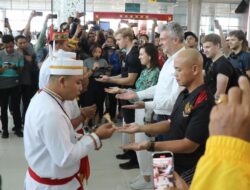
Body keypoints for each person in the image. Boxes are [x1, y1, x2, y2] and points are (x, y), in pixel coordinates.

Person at [117, 49, 214, 184]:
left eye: (178, 70)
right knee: (161, 186)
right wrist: (139, 127)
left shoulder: (204, 101)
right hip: (167, 158)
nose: (175, 74)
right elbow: (170, 122)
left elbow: (189, 144)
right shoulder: (184, 93)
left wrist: (150, 145)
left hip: (188, 168)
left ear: (195, 69)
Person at [24, 55, 115, 190]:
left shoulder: (45, 97)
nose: (81, 88)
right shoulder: (51, 112)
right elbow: (65, 158)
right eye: (78, 82)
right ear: (62, 81)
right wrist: (96, 137)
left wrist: (88, 136)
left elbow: (60, 136)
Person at [115, 22, 185, 143]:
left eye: (163, 39)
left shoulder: (183, 60)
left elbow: (176, 100)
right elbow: (161, 87)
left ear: (175, 40)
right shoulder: (170, 59)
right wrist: (138, 95)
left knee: (170, 156)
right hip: (162, 115)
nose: (159, 42)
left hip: (171, 117)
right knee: (163, 156)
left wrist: (147, 105)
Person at [106, 43, 160, 189]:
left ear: (150, 56)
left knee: (145, 144)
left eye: (142, 54)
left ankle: (149, 178)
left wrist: (123, 90)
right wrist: (121, 89)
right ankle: (144, 174)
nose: (139, 57)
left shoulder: (155, 72)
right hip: (139, 108)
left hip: (147, 111)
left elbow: (143, 93)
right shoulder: (145, 71)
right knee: (139, 143)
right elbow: (137, 90)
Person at [96, 27, 141, 170]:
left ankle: (135, 158)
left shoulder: (134, 55)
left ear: (127, 38)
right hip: (125, 93)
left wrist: (112, 81)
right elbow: (123, 76)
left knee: (133, 126)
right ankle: (130, 152)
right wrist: (109, 78)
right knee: (128, 123)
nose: (117, 42)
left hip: (131, 94)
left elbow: (130, 80)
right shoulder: (127, 54)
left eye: (119, 39)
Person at [0, 34, 24, 138]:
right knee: (3, 108)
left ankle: (18, 128)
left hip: (15, 83)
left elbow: (20, 71)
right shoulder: (0, 54)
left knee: (16, 107)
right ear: (3, 45)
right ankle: (5, 130)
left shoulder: (19, 55)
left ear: (14, 44)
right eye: (7, 47)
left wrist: (14, 67)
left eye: (11, 46)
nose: (9, 49)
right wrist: (3, 69)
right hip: (2, 85)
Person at [202, 33, 236, 99]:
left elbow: (219, 95)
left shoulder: (223, 65)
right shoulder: (210, 61)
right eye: (204, 47)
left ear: (217, 45)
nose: (205, 50)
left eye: (207, 47)